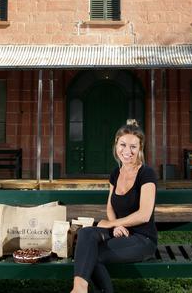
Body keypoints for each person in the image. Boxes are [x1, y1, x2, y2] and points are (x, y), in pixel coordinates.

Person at [71, 119, 158, 293]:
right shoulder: (115, 173)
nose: (127, 151)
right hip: (119, 232)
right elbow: (110, 205)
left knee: (91, 255)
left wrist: (110, 224)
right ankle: (79, 289)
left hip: (142, 239)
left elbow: (144, 215)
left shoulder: (146, 173)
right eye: (123, 145)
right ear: (116, 145)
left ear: (140, 148)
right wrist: (116, 224)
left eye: (133, 146)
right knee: (86, 233)